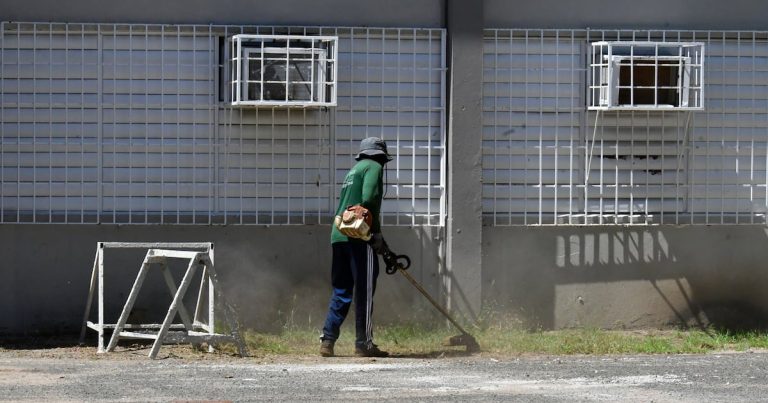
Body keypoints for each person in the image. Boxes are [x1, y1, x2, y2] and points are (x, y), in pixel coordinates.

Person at [320, 137, 392, 358]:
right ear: (381, 156)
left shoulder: (353, 171)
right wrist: (375, 234)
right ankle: (364, 343)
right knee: (365, 290)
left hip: (339, 235)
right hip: (359, 237)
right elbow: (369, 199)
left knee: (342, 290)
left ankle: (327, 340)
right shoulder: (374, 167)